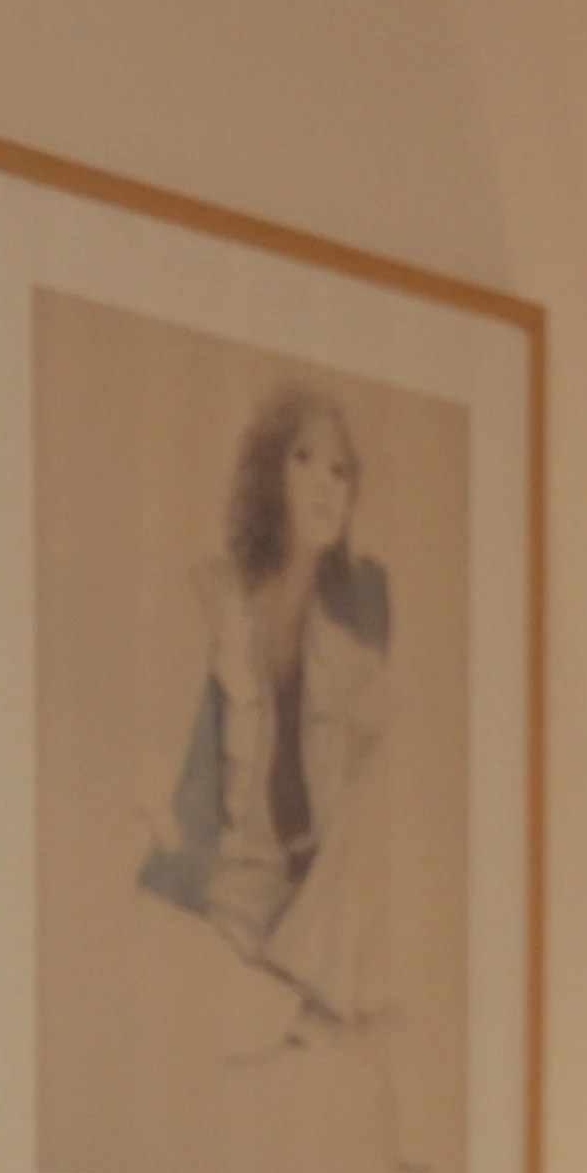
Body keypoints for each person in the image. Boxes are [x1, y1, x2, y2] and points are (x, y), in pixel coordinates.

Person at [138, 380, 396, 1035]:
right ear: (267, 469)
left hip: (321, 905)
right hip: (238, 901)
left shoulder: (361, 605)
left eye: (340, 470)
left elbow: (379, 773)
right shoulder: (215, 599)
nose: (326, 484)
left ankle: (305, 984)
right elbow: (186, 783)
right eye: (304, 458)